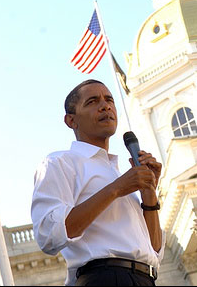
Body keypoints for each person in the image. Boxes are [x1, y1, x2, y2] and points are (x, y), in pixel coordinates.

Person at [31, 79, 165, 286]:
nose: (105, 106)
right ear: (71, 121)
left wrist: (149, 195)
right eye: (92, 101)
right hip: (104, 277)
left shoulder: (117, 173)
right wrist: (117, 188)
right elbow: (49, 235)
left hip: (145, 278)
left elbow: (154, 249)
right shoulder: (59, 163)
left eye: (109, 99)